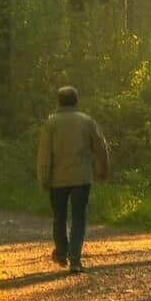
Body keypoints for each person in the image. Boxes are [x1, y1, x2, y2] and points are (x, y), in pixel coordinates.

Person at [35, 86, 110, 273]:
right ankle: (75, 260)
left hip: (57, 179)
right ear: (77, 101)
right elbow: (101, 147)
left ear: (59, 102)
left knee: (59, 217)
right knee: (79, 218)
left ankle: (61, 253)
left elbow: (45, 154)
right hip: (82, 178)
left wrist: (43, 177)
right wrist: (103, 169)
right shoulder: (87, 121)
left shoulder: (51, 123)